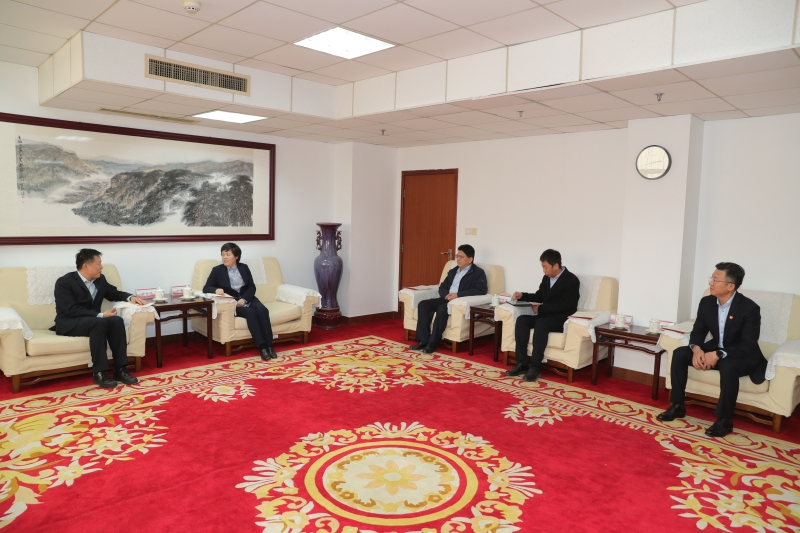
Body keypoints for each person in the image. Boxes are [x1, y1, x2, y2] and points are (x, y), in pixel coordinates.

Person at [658, 262, 767, 438]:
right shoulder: (707, 302)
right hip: (715, 349)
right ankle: (677, 406)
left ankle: (725, 420)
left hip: (742, 356)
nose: (711, 283)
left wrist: (718, 354)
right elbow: (698, 331)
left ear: (731, 286)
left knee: (728, 365)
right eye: (712, 278)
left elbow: (748, 344)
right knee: (680, 353)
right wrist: (697, 350)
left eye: (716, 280)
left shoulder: (749, 308)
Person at [53, 249, 147, 388]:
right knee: (99, 322)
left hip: (93, 321)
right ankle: (100, 373)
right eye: (99, 264)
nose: (101, 267)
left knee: (116, 320)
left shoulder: (100, 279)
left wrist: (130, 297)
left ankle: (120, 369)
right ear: (86, 265)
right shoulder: (65, 282)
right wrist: (101, 315)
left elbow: (113, 293)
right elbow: (70, 309)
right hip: (69, 322)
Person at [506, 249, 580, 382]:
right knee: (522, 320)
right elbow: (539, 296)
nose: (544, 270)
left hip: (561, 319)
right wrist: (523, 296)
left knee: (541, 323)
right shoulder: (547, 278)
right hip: (546, 316)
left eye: (545, 267)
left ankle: (535, 367)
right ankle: (522, 363)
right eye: (543, 267)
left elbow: (565, 304)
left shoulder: (571, 280)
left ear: (555, 265)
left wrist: (541, 309)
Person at [203, 242, 277, 361]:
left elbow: (251, 287)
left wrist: (244, 299)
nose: (225, 257)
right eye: (223, 254)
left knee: (263, 310)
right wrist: (216, 290)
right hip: (232, 303)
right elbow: (206, 288)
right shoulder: (217, 270)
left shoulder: (244, 268)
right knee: (251, 313)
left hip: (247, 298)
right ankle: (262, 347)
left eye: (228, 254)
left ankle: (270, 346)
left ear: (236, 256)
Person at [410, 244, 488, 354]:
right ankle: (423, 340)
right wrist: (445, 294)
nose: (458, 259)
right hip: (446, 298)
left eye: (461, 257)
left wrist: (458, 295)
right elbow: (443, 286)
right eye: (457, 256)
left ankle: (432, 343)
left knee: (442, 309)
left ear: (470, 259)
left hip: (457, 302)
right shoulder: (453, 271)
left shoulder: (478, 273)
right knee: (423, 304)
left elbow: (481, 290)